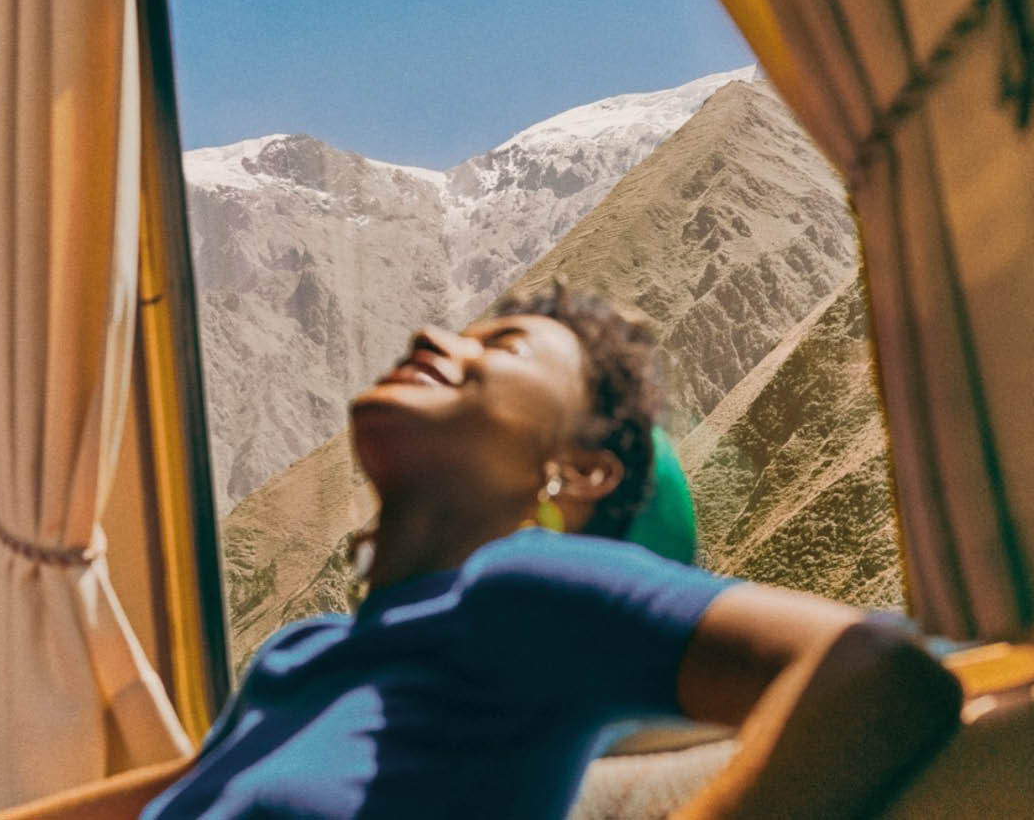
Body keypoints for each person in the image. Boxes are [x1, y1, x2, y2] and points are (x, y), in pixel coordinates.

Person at [142, 286, 962, 819]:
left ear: (578, 471)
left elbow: (877, 668)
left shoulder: (517, 589)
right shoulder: (300, 651)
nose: (431, 335)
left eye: (501, 347)